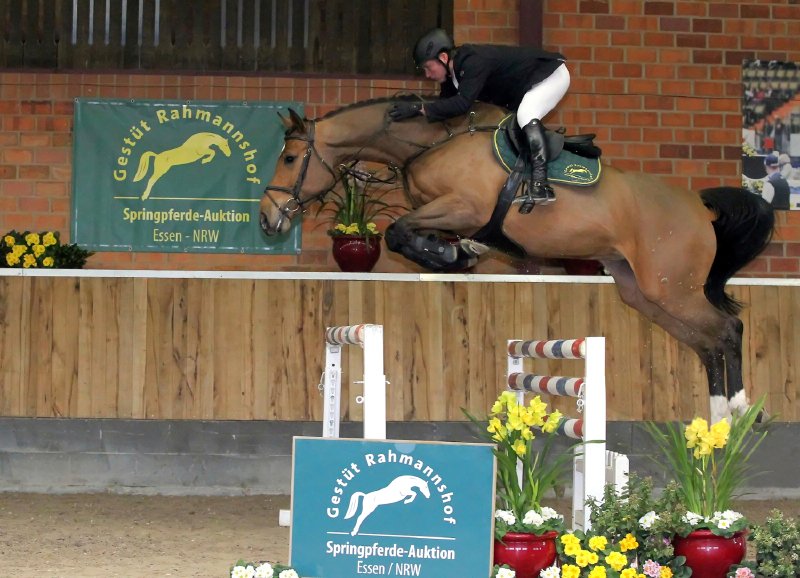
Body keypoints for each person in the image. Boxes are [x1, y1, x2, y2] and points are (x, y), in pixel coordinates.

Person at [388, 28, 570, 210]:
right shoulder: (452, 78)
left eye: (428, 67)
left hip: (550, 76)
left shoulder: (473, 61)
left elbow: (462, 104)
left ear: (443, 58)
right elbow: (445, 110)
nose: (427, 75)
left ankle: (540, 185)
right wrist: (415, 113)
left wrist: (418, 107)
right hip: (525, 87)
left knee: (526, 116)